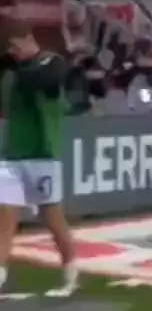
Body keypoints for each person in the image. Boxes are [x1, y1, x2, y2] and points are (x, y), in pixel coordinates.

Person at [0, 17, 77, 297]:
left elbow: (42, 79)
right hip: (12, 154)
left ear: (27, 39)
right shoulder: (10, 71)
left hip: (42, 154)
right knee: (5, 218)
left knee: (52, 218)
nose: (12, 53)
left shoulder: (49, 62)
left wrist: (14, 66)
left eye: (14, 47)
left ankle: (70, 271)